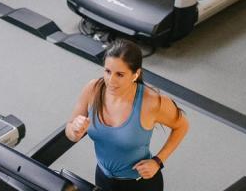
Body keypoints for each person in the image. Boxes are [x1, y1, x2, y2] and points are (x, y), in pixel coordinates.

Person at [65, 39, 189, 190]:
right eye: (108, 71)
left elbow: (182, 126)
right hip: (103, 178)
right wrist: (74, 131)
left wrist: (157, 161)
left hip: (139, 184)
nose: (111, 80)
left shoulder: (152, 102)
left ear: (135, 74)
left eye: (120, 74)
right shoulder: (93, 88)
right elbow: (70, 131)